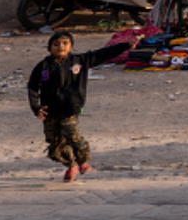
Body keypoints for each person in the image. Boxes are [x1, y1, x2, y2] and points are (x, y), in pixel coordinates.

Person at [27, 30, 132, 183]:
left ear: (71, 47)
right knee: (55, 145)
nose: (61, 47)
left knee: (72, 135)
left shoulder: (80, 61)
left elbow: (102, 54)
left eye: (65, 44)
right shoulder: (42, 67)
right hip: (50, 111)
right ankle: (71, 165)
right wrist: (36, 107)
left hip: (70, 108)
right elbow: (32, 87)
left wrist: (125, 46)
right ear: (49, 48)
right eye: (56, 44)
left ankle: (83, 162)